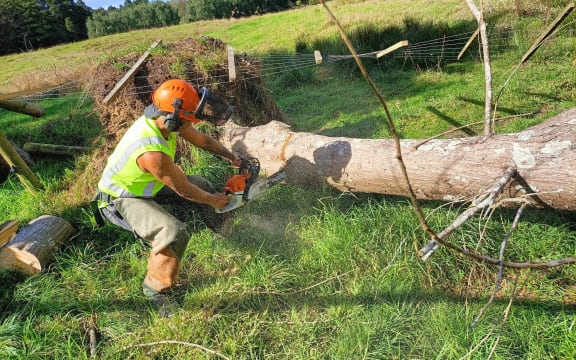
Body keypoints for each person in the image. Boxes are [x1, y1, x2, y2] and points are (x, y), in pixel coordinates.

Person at [95, 79, 241, 316]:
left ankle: (226, 232)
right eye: (190, 117)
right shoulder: (150, 150)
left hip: (145, 184)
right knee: (172, 232)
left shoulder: (168, 120)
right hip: (120, 198)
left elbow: (202, 140)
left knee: (202, 185)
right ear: (175, 115)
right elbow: (183, 189)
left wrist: (231, 156)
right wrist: (213, 200)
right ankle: (155, 289)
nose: (191, 122)